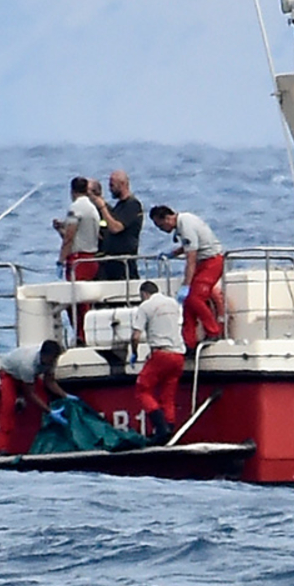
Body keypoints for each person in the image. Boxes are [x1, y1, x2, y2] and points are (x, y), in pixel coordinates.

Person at [149, 205, 226, 349]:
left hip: (211, 262)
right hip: (203, 261)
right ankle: (188, 341)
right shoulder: (183, 221)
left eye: (161, 226)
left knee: (194, 298)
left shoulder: (185, 226)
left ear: (167, 219)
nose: (161, 230)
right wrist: (173, 253)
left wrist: (186, 285)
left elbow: (191, 259)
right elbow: (189, 246)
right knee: (188, 306)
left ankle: (213, 331)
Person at [128, 281, 185, 443]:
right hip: (178, 354)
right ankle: (170, 430)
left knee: (142, 389)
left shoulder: (145, 307)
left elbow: (136, 336)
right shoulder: (173, 304)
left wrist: (134, 352)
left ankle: (161, 428)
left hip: (161, 354)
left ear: (144, 294)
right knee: (168, 395)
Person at [0, 339, 73, 429]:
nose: (54, 361)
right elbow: (30, 393)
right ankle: (5, 433)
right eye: (52, 358)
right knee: (9, 406)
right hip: (9, 374)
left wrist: (65, 395)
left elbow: (49, 381)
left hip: (30, 376)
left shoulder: (51, 361)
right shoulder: (28, 365)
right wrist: (49, 412)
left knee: (44, 399)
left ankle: (39, 430)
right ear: (45, 355)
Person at [90, 170, 144, 281]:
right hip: (110, 264)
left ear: (123, 184)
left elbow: (116, 227)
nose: (110, 189)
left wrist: (102, 207)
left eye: (112, 185)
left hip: (123, 265)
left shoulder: (132, 205)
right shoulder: (118, 207)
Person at [53, 176, 100, 282]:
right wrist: (61, 228)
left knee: (76, 295)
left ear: (72, 191)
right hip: (92, 258)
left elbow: (69, 238)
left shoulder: (75, 208)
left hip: (79, 260)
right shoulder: (92, 208)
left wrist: (61, 260)